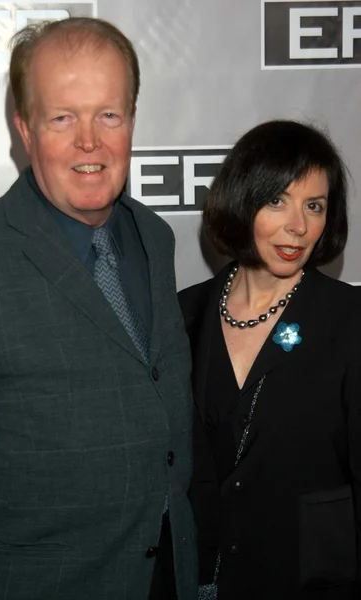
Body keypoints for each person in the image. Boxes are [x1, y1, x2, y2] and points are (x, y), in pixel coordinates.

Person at [0, 17, 197, 600]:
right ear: (24, 129)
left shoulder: (156, 236)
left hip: (165, 575)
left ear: (132, 121)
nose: (88, 141)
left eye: (108, 115)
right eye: (62, 117)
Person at [178, 120, 361, 599]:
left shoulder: (349, 320)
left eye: (314, 206)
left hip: (309, 581)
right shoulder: (182, 314)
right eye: (277, 200)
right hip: (201, 579)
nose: (298, 226)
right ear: (242, 201)